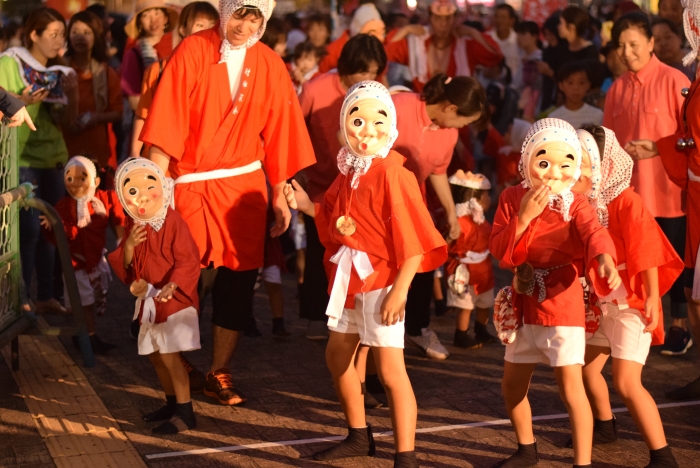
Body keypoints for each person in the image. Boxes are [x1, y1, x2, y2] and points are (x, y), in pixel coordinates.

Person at [140, 0, 315, 406]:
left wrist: (279, 193)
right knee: (183, 274)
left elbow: (279, 131)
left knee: (238, 279)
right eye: (239, 14)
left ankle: (220, 369)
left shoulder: (270, 63)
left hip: (243, 187)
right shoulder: (192, 50)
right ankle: (178, 358)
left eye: (255, 19)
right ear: (225, 9)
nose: (245, 26)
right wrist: (153, 197)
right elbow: (165, 126)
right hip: (191, 184)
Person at [284, 80, 447, 468]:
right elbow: (336, 219)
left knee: (391, 372)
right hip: (350, 281)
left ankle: (405, 456)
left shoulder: (394, 174)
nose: (367, 130)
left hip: (381, 282)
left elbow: (415, 241)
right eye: (357, 120)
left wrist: (400, 291)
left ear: (391, 127)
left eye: (378, 121)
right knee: (337, 356)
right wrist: (306, 205)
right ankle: (358, 435)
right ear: (344, 126)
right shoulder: (349, 171)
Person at [489, 118, 621, 468]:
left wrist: (604, 259)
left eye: (566, 163)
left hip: (562, 301)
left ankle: (582, 462)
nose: (554, 173)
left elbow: (594, 232)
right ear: (527, 160)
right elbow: (499, 249)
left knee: (570, 386)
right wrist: (523, 218)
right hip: (524, 299)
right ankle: (526, 448)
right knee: (512, 385)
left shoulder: (576, 203)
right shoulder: (511, 197)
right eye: (544, 162)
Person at [572, 125, 683, 468]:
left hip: (632, 304)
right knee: (586, 371)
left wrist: (652, 296)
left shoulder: (626, 200)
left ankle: (663, 455)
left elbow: (646, 248)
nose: (576, 170)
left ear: (603, 164)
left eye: (583, 162)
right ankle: (605, 427)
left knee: (626, 381)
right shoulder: (583, 204)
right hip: (603, 304)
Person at [603, 11, 690, 356]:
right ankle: (641, 321)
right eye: (621, 46)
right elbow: (608, 145)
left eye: (634, 44)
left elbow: (690, 135)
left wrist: (658, 148)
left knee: (676, 261)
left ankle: (679, 324)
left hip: (670, 192)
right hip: (631, 197)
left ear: (651, 43)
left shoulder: (674, 80)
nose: (627, 52)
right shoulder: (616, 88)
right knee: (638, 261)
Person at [625, 0, 700, 400]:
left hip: (686, 192)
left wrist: (663, 148)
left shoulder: (680, 77)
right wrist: (660, 147)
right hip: (690, 189)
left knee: (692, 290)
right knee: (693, 291)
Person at [298, 34, 388, 340]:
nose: (367, 78)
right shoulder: (315, 89)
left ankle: (351, 315)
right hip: (318, 185)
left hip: (356, 189)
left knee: (353, 250)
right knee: (318, 251)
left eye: (374, 72)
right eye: (362, 71)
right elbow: (295, 130)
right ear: (346, 66)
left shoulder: (374, 94)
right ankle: (314, 314)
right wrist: (299, 174)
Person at [393, 74, 488, 359]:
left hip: (414, 201)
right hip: (379, 200)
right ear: (450, 108)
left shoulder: (449, 133)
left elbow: (437, 172)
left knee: (425, 259)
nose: (463, 128)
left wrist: (450, 213)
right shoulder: (399, 105)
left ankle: (417, 329)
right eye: (465, 121)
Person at [109, 158, 201, 435]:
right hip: (149, 299)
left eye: (149, 188)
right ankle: (172, 403)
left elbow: (189, 259)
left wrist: (173, 285)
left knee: (170, 355)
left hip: (173, 300)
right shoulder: (135, 222)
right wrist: (129, 246)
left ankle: (186, 412)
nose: (143, 197)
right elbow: (128, 263)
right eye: (132, 191)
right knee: (155, 355)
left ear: (162, 187)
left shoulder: (173, 221)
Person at [0, 7, 79, 315]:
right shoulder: (9, 62)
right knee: (28, 230)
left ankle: (46, 295)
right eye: (53, 34)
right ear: (34, 35)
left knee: (51, 229)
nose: (60, 41)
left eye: (63, 34)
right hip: (21, 156)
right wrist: (22, 101)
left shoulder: (60, 70)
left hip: (53, 157)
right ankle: (20, 297)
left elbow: (68, 123)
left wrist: (72, 97)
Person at [41, 156, 125, 353]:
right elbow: (59, 233)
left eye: (82, 178)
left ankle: (83, 334)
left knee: (90, 299)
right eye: (70, 178)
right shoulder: (64, 205)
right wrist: (54, 225)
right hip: (75, 264)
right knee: (84, 302)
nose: (75, 183)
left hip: (95, 262)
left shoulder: (102, 199)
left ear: (95, 181)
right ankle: (88, 337)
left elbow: (119, 209)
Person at [130, 1, 219, 158]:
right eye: (200, 25)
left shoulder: (222, 70)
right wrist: (135, 153)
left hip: (204, 160)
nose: (206, 30)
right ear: (182, 29)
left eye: (212, 25)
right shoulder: (159, 69)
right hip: (163, 158)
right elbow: (144, 113)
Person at [386, 0, 503, 92]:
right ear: (429, 19)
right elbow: (386, 51)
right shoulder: (417, 43)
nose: (443, 24)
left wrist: (473, 33)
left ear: (455, 20)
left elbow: (495, 56)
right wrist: (406, 30)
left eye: (448, 18)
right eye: (437, 18)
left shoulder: (466, 45)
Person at [63, 11, 123, 169]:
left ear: (96, 36)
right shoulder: (60, 70)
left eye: (86, 32)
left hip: (96, 154)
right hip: (63, 153)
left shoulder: (107, 73)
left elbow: (118, 112)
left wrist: (96, 117)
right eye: (75, 32)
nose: (80, 37)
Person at [120, 0, 178, 161]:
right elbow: (134, 101)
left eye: (157, 13)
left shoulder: (177, 49)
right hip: (145, 132)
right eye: (146, 15)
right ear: (139, 23)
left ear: (166, 18)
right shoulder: (134, 54)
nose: (153, 20)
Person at [445, 170, 496, 348]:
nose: (489, 199)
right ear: (474, 200)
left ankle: (481, 329)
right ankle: (461, 334)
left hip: (484, 270)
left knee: (484, 302)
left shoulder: (482, 221)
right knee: (465, 305)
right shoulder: (458, 223)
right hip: (465, 270)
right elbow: (448, 246)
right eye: (486, 196)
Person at [538, 6, 600, 90]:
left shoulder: (589, 51)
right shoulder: (562, 47)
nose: (558, 26)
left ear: (571, 27)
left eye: (561, 23)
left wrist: (550, 72)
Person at [318, 3, 386, 74]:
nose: (380, 38)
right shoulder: (332, 52)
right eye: (371, 32)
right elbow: (321, 76)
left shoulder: (378, 50)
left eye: (382, 32)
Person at [548, 61, 603, 129]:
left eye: (581, 83)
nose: (576, 88)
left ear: (588, 85)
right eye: (570, 83)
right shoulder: (553, 118)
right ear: (561, 85)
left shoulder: (597, 115)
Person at [488, 4, 520, 89]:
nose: (499, 20)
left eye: (503, 17)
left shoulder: (519, 42)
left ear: (512, 20)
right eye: (496, 16)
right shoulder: (486, 39)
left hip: (512, 90)